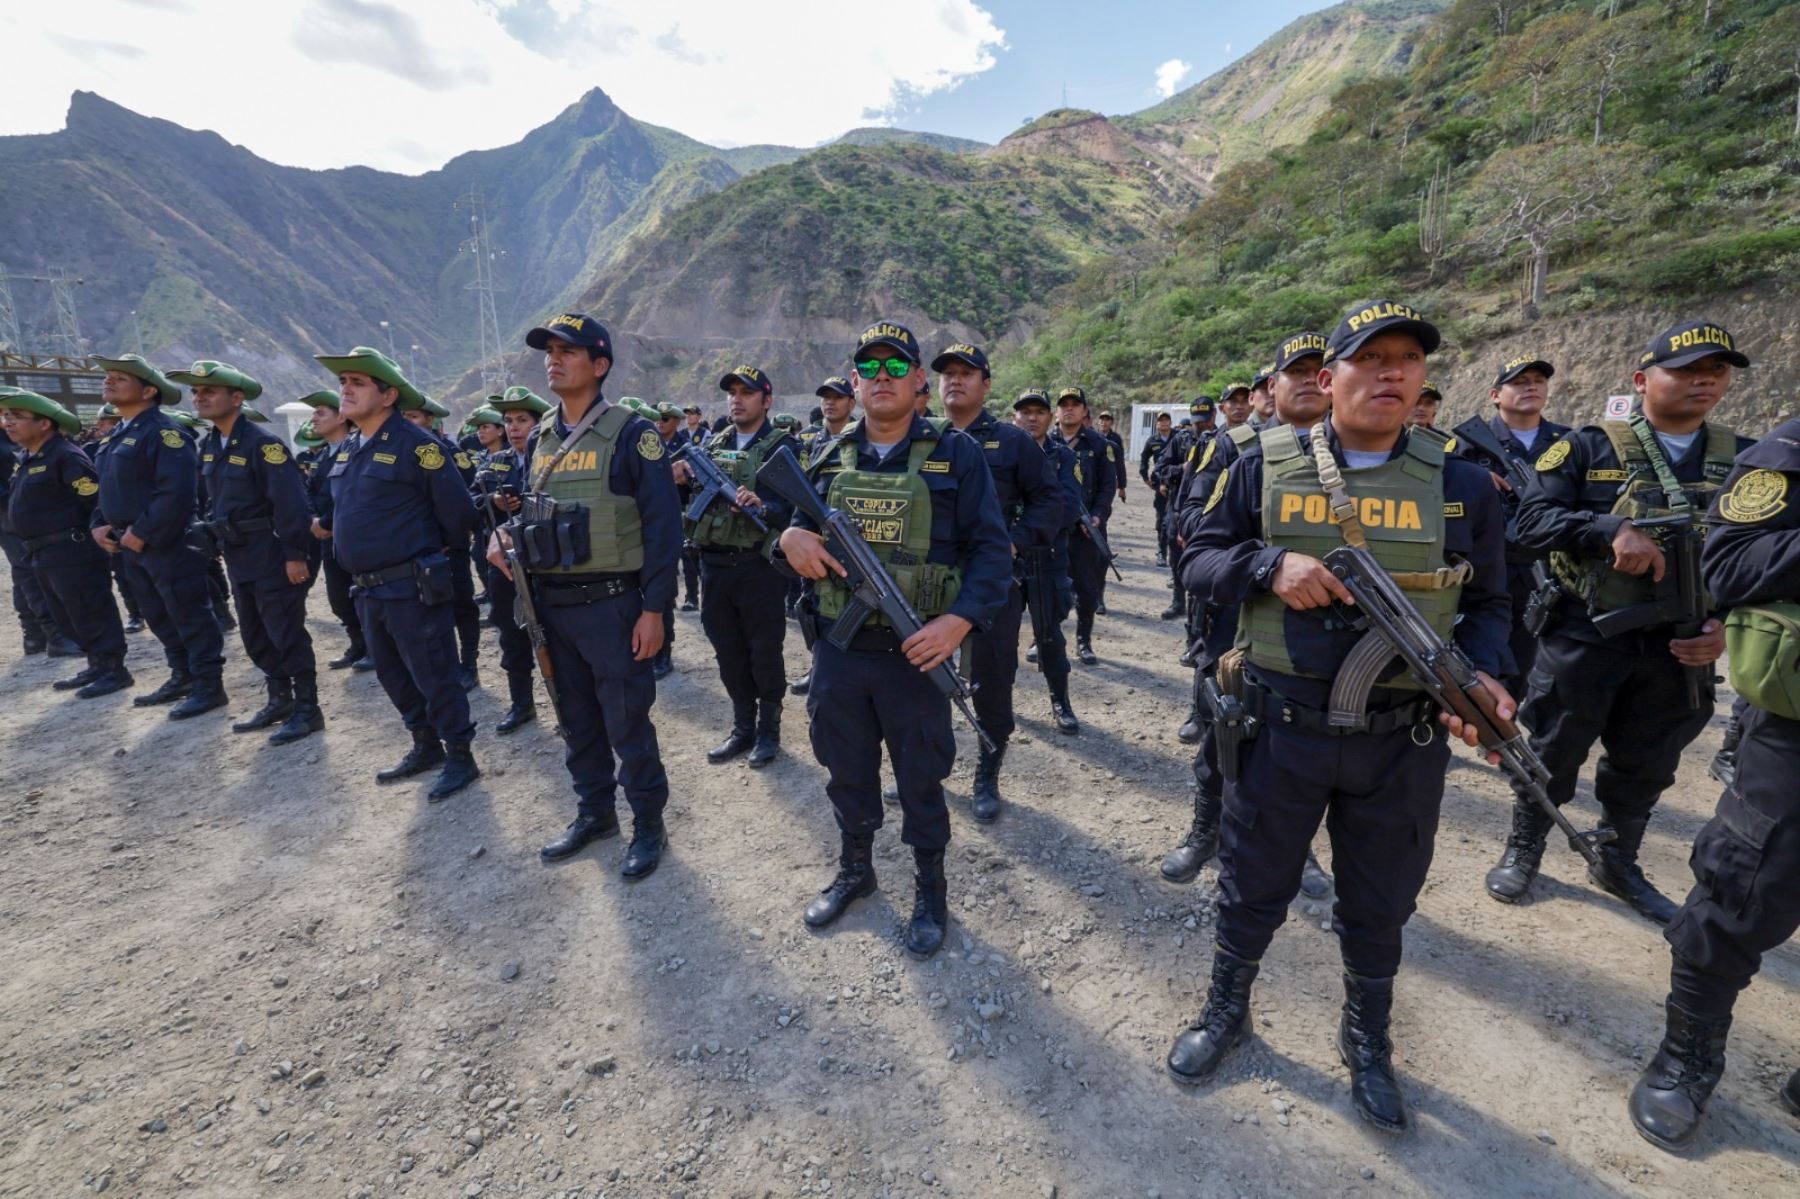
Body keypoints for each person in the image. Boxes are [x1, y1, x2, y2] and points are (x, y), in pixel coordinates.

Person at [1166, 301, 1513, 1134]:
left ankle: (1367, 1038)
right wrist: (1268, 564)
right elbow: (1198, 558)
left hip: (1403, 737)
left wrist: (1485, 679)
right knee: (1252, 882)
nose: (1392, 372)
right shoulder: (1262, 464)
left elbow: (1495, 602)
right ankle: (1227, 1008)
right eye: (1371, 358)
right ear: (1328, 379)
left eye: (1408, 359)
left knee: (1380, 900)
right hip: (1278, 728)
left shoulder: (1462, 483)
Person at [1491, 320, 1751, 923]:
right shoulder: (1588, 448)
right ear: (1641, 380)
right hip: (1588, 632)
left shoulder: (1745, 459)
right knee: (1554, 747)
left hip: (1681, 643)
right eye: (1685, 370)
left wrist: (1726, 624)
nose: (1704, 381)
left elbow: (1762, 557)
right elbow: (1528, 525)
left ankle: (1616, 858)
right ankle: (1525, 845)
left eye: (1715, 370)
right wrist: (1609, 528)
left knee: (1648, 759)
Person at [780, 321, 1011, 957]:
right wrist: (787, 538)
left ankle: (930, 889)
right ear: (854, 384)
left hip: (916, 655)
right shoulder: (828, 454)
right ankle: (856, 869)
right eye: (869, 369)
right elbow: (795, 532)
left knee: (921, 778)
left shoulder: (958, 454)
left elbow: (992, 553)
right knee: (845, 770)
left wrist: (958, 621)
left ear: (918, 383)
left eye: (896, 367)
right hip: (839, 651)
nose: (881, 378)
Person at [1627, 416, 1800, 1150]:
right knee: (1743, 886)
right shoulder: (1789, 452)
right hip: (1796, 727)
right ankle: (1687, 1059)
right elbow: (1728, 565)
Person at [488, 313, 680, 878]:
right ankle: (595, 812)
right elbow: (536, 509)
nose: (553, 359)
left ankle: (648, 823)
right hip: (552, 605)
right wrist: (506, 535)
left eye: (567, 351)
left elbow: (663, 528)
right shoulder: (541, 435)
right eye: (549, 350)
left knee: (627, 722)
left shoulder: (633, 434)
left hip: (614, 605)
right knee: (574, 720)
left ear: (599, 365)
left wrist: (654, 609)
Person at [1161, 331, 1330, 886]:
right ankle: (1205, 831)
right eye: (1295, 372)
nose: (1309, 381)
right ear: (1271, 388)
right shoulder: (1235, 449)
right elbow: (1192, 524)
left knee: (1312, 748)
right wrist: (1262, 559)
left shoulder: (1360, 457)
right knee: (1222, 734)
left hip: (1318, 629)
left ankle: (1300, 850)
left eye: (1319, 371)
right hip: (1238, 620)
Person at [319, 345, 481, 802]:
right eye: (343, 382)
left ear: (388, 395)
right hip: (366, 588)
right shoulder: (350, 447)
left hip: (410, 584)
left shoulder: (418, 446)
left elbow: (458, 515)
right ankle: (424, 744)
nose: (346, 390)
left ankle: (460, 755)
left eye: (358, 382)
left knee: (434, 673)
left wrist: (423, 553)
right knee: (393, 674)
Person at [937, 344, 1066, 820]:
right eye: (948, 373)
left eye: (966, 373)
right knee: (925, 679)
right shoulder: (923, 439)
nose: (955, 380)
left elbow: (1051, 501)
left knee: (992, 680)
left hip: (990, 583)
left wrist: (1012, 543)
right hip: (929, 585)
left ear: (986, 385)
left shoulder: (1012, 442)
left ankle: (987, 772)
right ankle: (929, 765)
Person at [171, 361, 320, 744]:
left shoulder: (263, 444)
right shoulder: (210, 445)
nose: (199, 398)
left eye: (209, 391)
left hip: (271, 553)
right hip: (238, 555)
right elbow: (211, 499)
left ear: (236, 398)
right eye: (195, 392)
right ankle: (280, 699)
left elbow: (291, 505)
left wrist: (294, 555)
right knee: (255, 634)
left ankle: (308, 709)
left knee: (285, 632)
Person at [89, 354, 229, 717]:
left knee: (188, 613)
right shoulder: (117, 434)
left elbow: (177, 492)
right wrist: (99, 523)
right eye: (109, 376)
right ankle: (182, 675)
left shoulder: (164, 432)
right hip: (129, 544)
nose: (109, 381)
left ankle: (208, 685)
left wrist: (144, 531)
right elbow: (109, 488)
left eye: (121, 378)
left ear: (149, 391)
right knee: (157, 614)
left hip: (168, 543)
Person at [675, 364, 794, 767]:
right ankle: (743, 727)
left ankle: (769, 730)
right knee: (727, 651)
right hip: (714, 566)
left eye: (747, 393)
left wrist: (764, 506)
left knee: (764, 651)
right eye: (732, 393)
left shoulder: (782, 446)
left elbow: (796, 509)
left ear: (767, 400)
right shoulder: (713, 443)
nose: (737, 400)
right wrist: (681, 479)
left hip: (758, 568)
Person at [1450, 356, 1571, 696]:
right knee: (1481, 654)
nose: (1531, 387)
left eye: (1538, 381)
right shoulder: (1467, 445)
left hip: (1549, 566)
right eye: (1519, 382)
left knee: (1540, 660)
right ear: (1495, 395)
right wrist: (1473, 477)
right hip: (1489, 568)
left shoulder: (1568, 441)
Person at [1, 390, 131, 696]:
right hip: (43, 552)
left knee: (91, 609)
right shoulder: (28, 457)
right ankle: (97, 664)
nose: (8, 423)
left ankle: (114, 670)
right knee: (70, 614)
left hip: (73, 551)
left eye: (17, 417)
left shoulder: (65, 456)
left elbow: (94, 501)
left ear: (44, 423)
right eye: (7, 416)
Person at [478, 387, 552, 729]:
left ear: (538, 424)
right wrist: (492, 501)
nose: (513, 427)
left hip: (545, 562)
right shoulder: (496, 462)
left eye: (522, 420)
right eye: (508, 421)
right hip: (505, 565)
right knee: (511, 635)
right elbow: (469, 504)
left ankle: (568, 703)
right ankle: (521, 703)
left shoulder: (551, 459)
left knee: (555, 635)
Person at [1011, 388, 1082, 734]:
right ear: (1014, 418)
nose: (1032, 418)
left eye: (1039, 412)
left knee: (1050, 636)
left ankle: (1060, 702)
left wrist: (1023, 531)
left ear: (1049, 418)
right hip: (1007, 559)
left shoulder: (1063, 457)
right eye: (1025, 412)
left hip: (1047, 557)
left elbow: (1067, 507)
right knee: (999, 639)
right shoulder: (1000, 452)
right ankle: (998, 702)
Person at [1051, 386, 1116, 664]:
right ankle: (1044, 637)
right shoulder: (1044, 441)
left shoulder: (1099, 445)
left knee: (1087, 589)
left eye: (1075, 404)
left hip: (1086, 530)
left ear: (1084, 411)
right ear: (1056, 411)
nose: (1069, 408)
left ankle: (1083, 641)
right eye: (1064, 404)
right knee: (1048, 586)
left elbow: (1107, 486)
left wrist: (1098, 516)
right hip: (1052, 530)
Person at [1156, 398, 1215, 622]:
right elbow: (1160, 469)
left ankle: (1200, 608)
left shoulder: (1222, 439)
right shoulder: (1180, 440)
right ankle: (1178, 601)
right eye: (1197, 422)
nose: (1202, 426)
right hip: (1179, 508)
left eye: (1206, 421)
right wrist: (1182, 468)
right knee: (1177, 556)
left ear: (1214, 416)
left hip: (1209, 510)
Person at [1141, 411, 1174, 565]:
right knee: (1161, 519)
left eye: (1166, 420)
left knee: (1177, 518)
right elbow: (1144, 459)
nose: (1164, 423)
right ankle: (1162, 551)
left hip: (1177, 484)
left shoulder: (1178, 437)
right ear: (1157, 424)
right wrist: (1145, 478)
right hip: (1160, 484)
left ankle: (1176, 553)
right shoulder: (1152, 441)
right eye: (1161, 421)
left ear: (1170, 422)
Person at [1097, 410, 1126, 504]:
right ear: (1098, 422)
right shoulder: (1093, 436)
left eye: (1107, 420)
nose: (1104, 422)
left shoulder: (1116, 438)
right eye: (1102, 420)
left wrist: (1122, 486)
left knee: (1104, 504)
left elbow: (1120, 462)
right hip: (1094, 476)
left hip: (1109, 477)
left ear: (1111, 422)